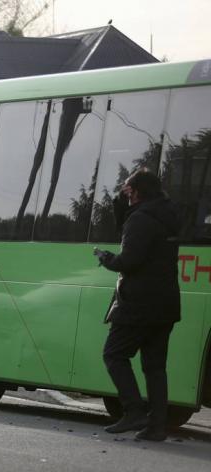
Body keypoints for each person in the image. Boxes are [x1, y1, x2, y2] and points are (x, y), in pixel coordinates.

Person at [95, 169, 181, 442]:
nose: (125, 195)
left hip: (138, 304)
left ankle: (133, 411)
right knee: (155, 367)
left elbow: (129, 261)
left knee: (113, 354)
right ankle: (156, 426)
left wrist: (106, 257)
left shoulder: (141, 219)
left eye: (128, 191)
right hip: (165, 304)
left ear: (139, 192)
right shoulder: (168, 216)